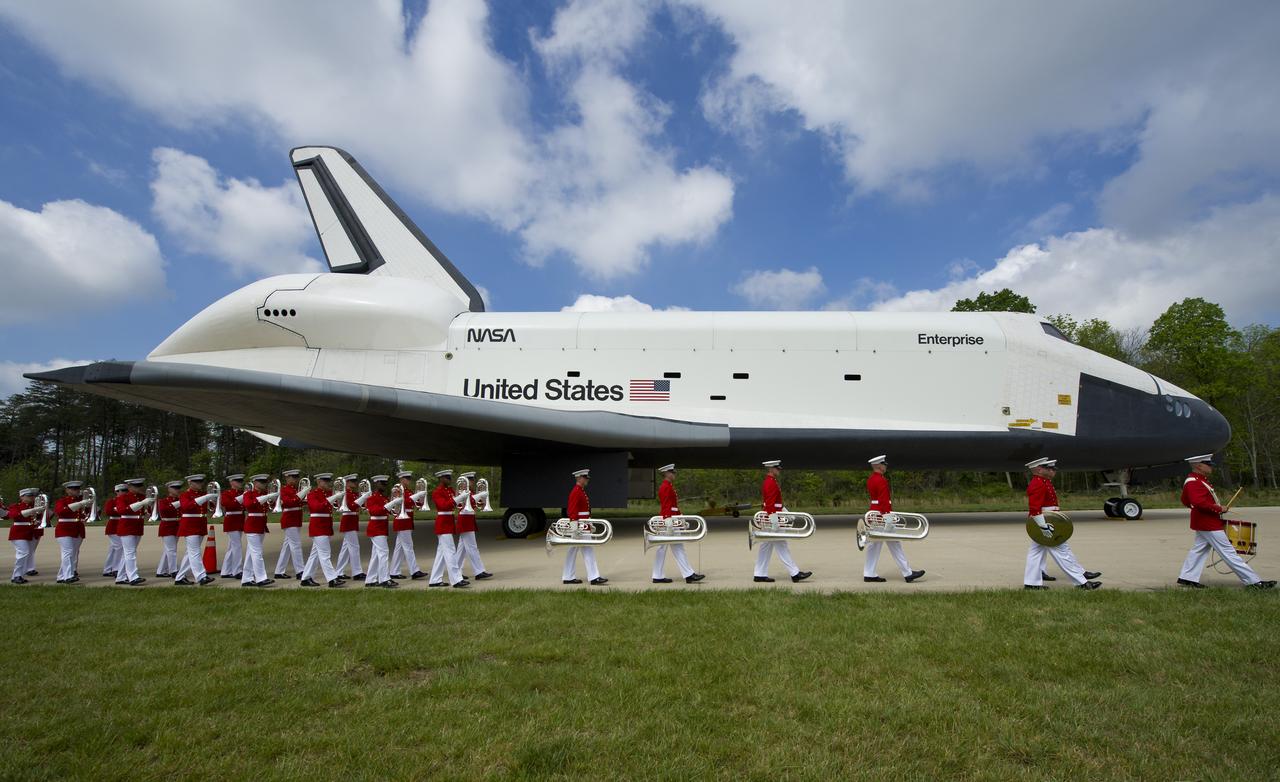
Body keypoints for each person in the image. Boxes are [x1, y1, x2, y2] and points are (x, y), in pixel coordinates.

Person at [1177, 454, 1275, 590]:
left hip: (1205, 522)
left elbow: (1186, 500)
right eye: (1208, 464)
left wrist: (1205, 509)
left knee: (1198, 550)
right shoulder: (1194, 481)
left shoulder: (1197, 480)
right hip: (1209, 524)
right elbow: (1197, 502)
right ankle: (1254, 582)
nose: (1210, 467)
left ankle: (1187, 578)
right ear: (1199, 466)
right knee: (1229, 552)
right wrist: (1218, 508)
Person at [1023, 458, 1100, 590]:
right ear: (1039, 470)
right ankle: (1081, 582)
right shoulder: (1038, 483)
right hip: (1045, 522)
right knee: (1061, 551)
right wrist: (1043, 526)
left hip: (1048, 521)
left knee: (1036, 553)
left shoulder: (1044, 481)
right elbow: (1035, 509)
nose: (1053, 471)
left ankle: (1032, 583)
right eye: (1049, 469)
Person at [862, 455, 925, 584]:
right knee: (894, 543)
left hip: (874, 513)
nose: (885, 466)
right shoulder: (881, 480)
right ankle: (908, 573)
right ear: (879, 466)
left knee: (874, 544)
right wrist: (888, 517)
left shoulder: (870, 479)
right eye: (884, 464)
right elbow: (884, 501)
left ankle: (869, 573)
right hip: (882, 515)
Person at [754, 460, 812, 583]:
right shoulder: (770, 483)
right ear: (771, 469)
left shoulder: (771, 481)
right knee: (781, 546)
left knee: (766, 546)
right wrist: (774, 521)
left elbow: (776, 503)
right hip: (772, 518)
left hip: (772, 516)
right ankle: (794, 573)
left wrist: (785, 511)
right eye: (777, 468)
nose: (779, 470)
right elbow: (770, 504)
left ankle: (759, 574)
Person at [651, 464, 704, 584]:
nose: (674, 474)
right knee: (664, 548)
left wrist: (681, 517)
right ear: (667, 473)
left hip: (672, 520)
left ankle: (686, 574)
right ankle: (660, 575)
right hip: (669, 521)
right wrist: (668, 520)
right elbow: (666, 506)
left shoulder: (669, 486)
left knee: (673, 548)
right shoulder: (665, 487)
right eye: (672, 472)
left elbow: (673, 506)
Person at [563, 468, 607, 586]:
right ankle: (593, 577)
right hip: (579, 526)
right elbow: (572, 511)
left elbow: (584, 511)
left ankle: (569, 576)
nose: (587, 480)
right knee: (586, 550)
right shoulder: (576, 491)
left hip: (582, 524)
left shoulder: (580, 490)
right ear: (579, 478)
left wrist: (589, 523)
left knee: (575, 550)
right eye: (585, 478)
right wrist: (574, 528)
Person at [300, 473, 344, 588]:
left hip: (325, 526)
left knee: (314, 555)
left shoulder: (329, 493)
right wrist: (334, 497)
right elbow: (317, 507)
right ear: (319, 482)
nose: (328, 483)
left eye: (328, 481)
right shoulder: (312, 494)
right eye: (325, 481)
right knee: (325, 554)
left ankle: (305, 578)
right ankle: (332, 579)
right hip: (318, 527)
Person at [427, 469, 468, 588]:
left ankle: (434, 580)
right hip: (443, 523)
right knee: (450, 551)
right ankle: (456, 580)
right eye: (447, 477)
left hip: (448, 522)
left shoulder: (449, 490)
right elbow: (443, 506)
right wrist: (457, 499)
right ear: (441, 478)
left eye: (450, 477)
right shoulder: (437, 492)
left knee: (441, 554)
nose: (449, 480)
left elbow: (454, 504)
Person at [174, 474, 218, 586]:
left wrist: (212, 499)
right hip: (189, 525)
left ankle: (179, 578)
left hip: (200, 524)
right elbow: (186, 507)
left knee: (191, 553)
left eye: (200, 482)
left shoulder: (203, 494)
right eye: (196, 482)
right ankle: (201, 576)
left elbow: (210, 508)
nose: (200, 484)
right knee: (195, 552)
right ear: (190, 483)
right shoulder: (185, 495)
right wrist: (206, 497)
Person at [452, 472, 492, 581]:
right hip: (464, 519)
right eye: (471, 480)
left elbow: (477, 505)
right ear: (465, 481)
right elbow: (466, 502)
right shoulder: (462, 492)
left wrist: (483, 500)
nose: (473, 482)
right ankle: (479, 571)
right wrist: (479, 495)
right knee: (472, 547)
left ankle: (456, 570)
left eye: (473, 480)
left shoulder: (471, 492)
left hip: (469, 519)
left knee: (462, 549)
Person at [388, 470, 428, 580]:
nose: (408, 481)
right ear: (401, 479)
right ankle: (414, 571)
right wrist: (415, 497)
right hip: (402, 520)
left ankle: (394, 571)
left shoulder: (408, 491)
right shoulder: (397, 490)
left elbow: (415, 504)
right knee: (408, 546)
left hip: (407, 519)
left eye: (409, 478)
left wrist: (421, 497)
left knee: (399, 547)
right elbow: (402, 502)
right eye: (406, 478)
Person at [239, 474, 277, 587]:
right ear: (255, 483)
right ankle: (261, 578)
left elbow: (270, 506)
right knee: (257, 553)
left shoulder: (264, 494)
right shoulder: (248, 494)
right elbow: (248, 504)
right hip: (252, 525)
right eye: (261, 482)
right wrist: (264, 498)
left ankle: (246, 579)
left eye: (265, 482)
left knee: (252, 553)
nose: (264, 484)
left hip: (260, 525)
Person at [359, 475, 396, 588]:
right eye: (382, 483)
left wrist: (397, 503)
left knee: (376, 555)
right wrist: (390, 504)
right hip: (376, 528)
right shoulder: (371, 498)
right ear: (376, 484)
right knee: (383, 553)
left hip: (382, 528)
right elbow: (376, 512)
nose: (384, 486)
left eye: (385, 484)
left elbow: (390, 512)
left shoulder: (384, 498)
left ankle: (370, 580)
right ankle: (384, 579)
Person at [53, 480, 93, 583]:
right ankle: (68, 576)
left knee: (73, 553)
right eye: (73, 489)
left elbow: (86, 514)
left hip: (78, 528)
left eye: (77, 488)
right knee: (68, 552)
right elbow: (60, 511)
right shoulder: (62, 501)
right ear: (67, 490)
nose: (76, 491)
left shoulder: (82, 500)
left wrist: (89, 506)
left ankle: (61, 576)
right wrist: (80, 503)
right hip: (64, 528)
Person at [274, 469, 307, 579]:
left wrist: (305, 496)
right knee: (296, 546)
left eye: (296, 477)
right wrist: (301, 494)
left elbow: (299, 502)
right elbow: (289, 502)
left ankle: (279, 571)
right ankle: (300, 571)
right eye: (293, 477)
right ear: (287, 478)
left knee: (287, 546)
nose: (295, 480)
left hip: (296, 519)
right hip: (289, 520)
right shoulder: (284, 490)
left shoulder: (295, 489)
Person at [115, 478, 149, 586]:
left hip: (137, 526)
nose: (139, 488)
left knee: (128, 553)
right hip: (127, 526)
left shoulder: (142, 497)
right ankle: (133, 577)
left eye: (140, 486)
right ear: (129, 487)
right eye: (136, 486)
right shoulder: (123, 497)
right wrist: (142, 503)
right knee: (130, 553)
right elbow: (122, 510)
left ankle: (120, 577)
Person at [333, 474, 365, 581]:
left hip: (352, 521)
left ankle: (339, 572)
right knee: (355, 547)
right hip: (348, 521)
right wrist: (362, 498)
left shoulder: (352, 493)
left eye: (355, 481)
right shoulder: (345, 493)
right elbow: (351, 506)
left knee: (346, 549)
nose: (355, 483)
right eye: (352, 481)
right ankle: (357, 572)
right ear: (347, 483)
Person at [7, 488, 41, 584]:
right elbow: (13, 515)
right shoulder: (15, 506)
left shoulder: (36, 506)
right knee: (23, 552)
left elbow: (43, 517)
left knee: (28, 553)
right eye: (29, 496)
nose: (31, 498)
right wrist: (32, 510)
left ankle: (20, 575)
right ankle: (16, 575)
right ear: (21, 497)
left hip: (32, 532)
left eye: (32, 496)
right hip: (19, 532)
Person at [219, 474, 246, 579]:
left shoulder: (242, 493)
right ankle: (237, 571)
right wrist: (241, 497)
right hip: (231, 521)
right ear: (231, 483)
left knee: (232, 547)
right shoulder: (227, 493)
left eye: (240, 481)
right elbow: (227, 504)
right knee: (237, 546)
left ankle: (226, 571)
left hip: (239, 520)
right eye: (237, 481)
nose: (240, 483)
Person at [155, 481, 181, 578]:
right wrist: (180, 502)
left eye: (178, 488)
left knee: (168, 550)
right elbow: (165, 510)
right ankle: (173, 570)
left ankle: (161, 570)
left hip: (177, 525)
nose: (177, 490)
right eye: (175, 488)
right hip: (167, 526)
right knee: (172, 550)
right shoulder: (163, 501)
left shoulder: (179, 499)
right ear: (169, 489)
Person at [102, 484, 126, 578]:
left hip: (123, 524)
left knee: (113, 549)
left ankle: (107, 569)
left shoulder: (126, 501)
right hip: (113, 525)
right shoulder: (111, 501)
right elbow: (108, 511)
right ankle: (116, 568)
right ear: (117, 492)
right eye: (122, 490)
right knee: (119, 547)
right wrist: (121, 510)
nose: (124, 492)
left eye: (125, 490)